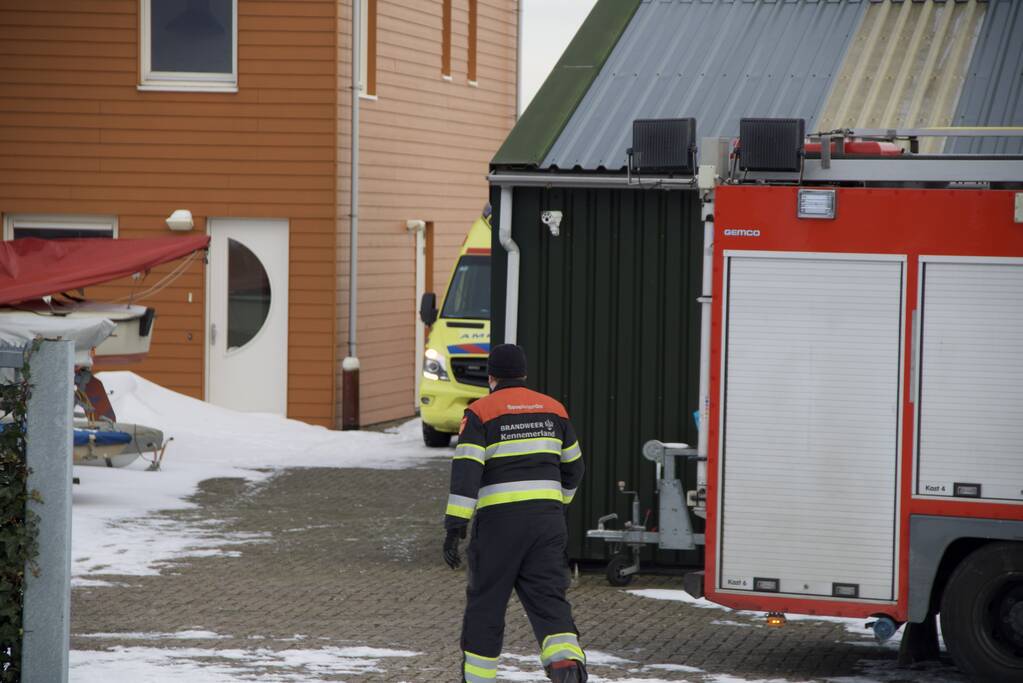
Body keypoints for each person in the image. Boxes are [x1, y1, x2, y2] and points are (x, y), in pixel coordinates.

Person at [443, 343, 587, 683]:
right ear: (523, 374)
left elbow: (466, 472)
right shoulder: (554, 409)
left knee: (487, 604)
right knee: (549, 599)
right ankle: (566, 666)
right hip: (547, 524)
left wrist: (455, 527)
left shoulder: (480, 412)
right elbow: (575, 468)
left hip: (499, 527)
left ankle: (479, 679)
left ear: (491, 377)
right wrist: (557, 504)